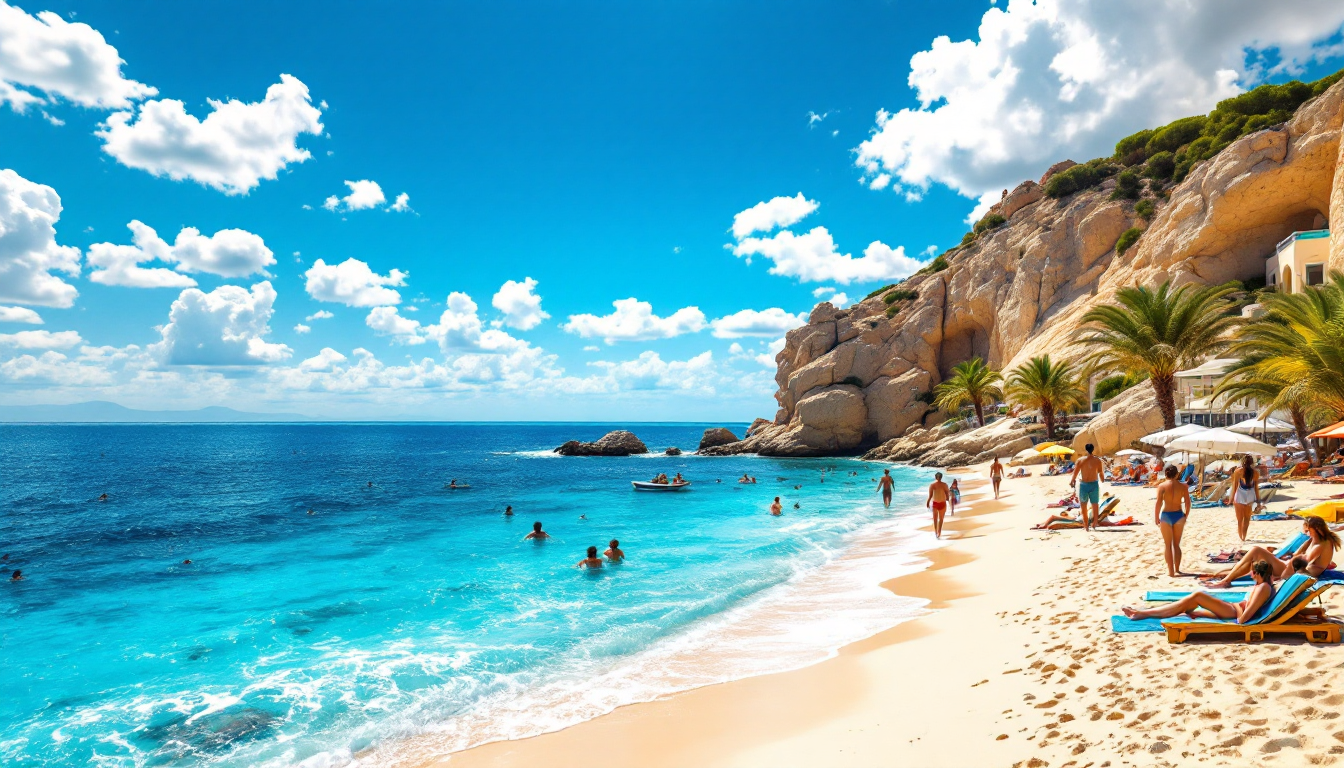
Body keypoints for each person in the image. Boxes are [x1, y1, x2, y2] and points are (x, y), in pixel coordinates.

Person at [1121, 559, 1275, 623]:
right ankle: (1144, 612)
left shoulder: (1263, 588)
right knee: (1186, 609)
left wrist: (1236, 611)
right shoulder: (1264, 585)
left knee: (1197, 596)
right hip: (1231, 608)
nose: (1250, 574)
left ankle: (1142, 613)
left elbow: (1245, 617)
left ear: (1257, 573)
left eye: (1252, 572)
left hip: (1231, 611)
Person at [1203, 517, 1340, 588]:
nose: (1306, 532)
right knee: (1254, 560)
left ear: (1315, 529)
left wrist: (1285, 569)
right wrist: (1306, 543)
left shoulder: (1320, 545)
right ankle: (1227, 578)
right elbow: (1298, 554)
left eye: (1308, 530)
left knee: (1256, 550)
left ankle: (1226, 580)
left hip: (1295, 572)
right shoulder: (1319, 540)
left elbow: (1302, 562)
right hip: (1291, 567)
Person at [1154, 464, 1192, 577]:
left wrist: (1156, 517)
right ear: (1176, 474)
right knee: (1176, 544)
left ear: (1166, 474)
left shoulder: (1162, 486)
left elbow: (1158, 503)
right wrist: (1186, 515)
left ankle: (1170, 572)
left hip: (1166, 515)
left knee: (1167, 545)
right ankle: (1178, 569)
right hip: (1179, 515)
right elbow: (1188, 503)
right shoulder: (1183, 486)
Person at [1069, 443, 1105, 531]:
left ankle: (1086, 526)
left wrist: (1072, 481)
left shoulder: (1080, 460)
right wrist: (1102, 479)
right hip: (1094, 484)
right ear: (1093, 449)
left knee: (1083, 506)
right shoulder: (1097, 460)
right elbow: (1100, 472)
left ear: (1086, 449)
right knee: (1095, 504)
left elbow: (1075, 472)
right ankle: (1094, 523)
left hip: (1084, 485)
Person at [1230, 454, 1259, 542]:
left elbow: (1235, 486)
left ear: (1242, 462)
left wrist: (1231, 499)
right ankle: (1244, 536)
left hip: (1239, 496)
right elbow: (1256, 488)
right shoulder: (1256, 473)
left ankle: (1241, 537)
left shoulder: (1238, 471)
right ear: (1252, 462)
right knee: (1246, 518)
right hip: (1250, 496)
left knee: (1240, 519)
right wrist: (1258, 501)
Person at [926, 472, 950, 539]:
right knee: (941, 519)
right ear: (941, 477)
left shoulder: (932, 485)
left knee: (935, 519)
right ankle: (939, 532)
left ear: (935, 477)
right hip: (942, 503)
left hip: (935, 503)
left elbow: (930, 496)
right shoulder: (944, 485)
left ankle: (936, 532)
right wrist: (947, 498)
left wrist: (927, 502)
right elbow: (947, 493)